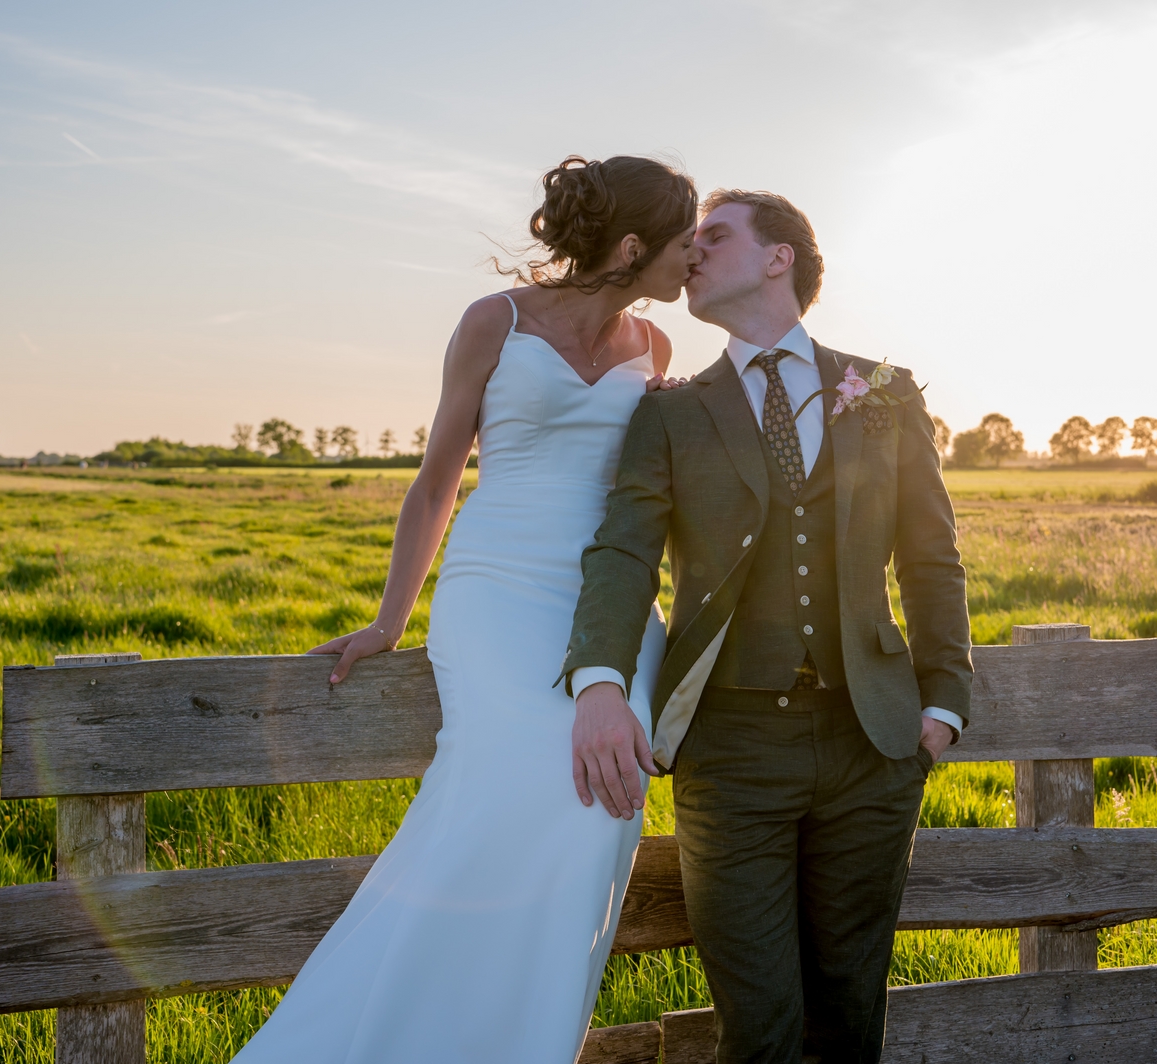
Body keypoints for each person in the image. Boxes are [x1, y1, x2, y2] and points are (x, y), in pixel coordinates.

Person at [229, 155, 699, 1064]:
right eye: (683, 244)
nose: (694, 261)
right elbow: (438, 475)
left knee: (599, 814)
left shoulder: (658, 348)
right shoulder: (496, 323)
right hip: (496, 590)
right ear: (635, 245)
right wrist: (389, 618)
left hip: (610, 609)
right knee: (513, 791)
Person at [563, 189, 972, 1063]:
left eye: (714, 235)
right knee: (759, 1026)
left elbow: (931, 557)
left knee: (850, 1015)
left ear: (779, 257)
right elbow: (623, 555)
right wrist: (598, 681)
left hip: (875, 744)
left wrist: (944, 707)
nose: (692, 252)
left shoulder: (885, 393)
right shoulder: (669, 411)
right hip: (731, 751)